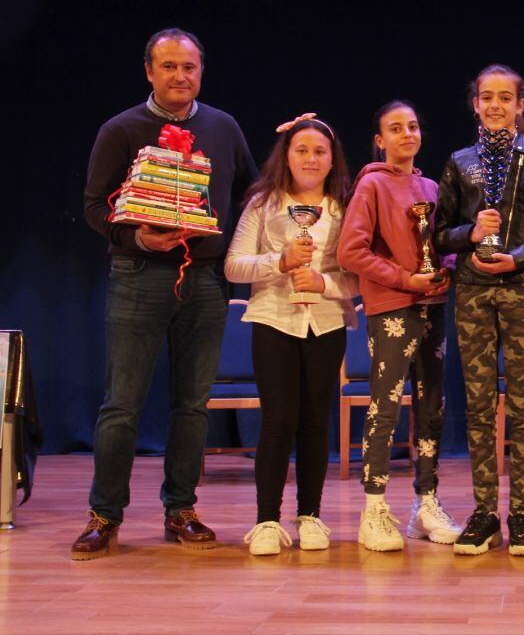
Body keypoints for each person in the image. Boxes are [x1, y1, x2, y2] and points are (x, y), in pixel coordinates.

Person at [75, 28, 256, 560]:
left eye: (190, 67)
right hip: (137, 275)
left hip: (205, 280)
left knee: (192, 405)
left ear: (202, 71)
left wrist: (298, 147)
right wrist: (136, 236)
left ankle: (180, 509)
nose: (181, 76)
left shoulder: (223, 127)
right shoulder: (121, 129)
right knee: (122, 405)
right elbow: (92, 206)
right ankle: (104, 515)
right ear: (149, 71)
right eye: (170, 66)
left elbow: (253, 190)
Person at [435, 64, 524, 556]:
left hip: (523, 288)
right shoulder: (459, 161)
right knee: (476, 405)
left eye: (505, 97)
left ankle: (521, 514)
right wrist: (469, 235)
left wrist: (520, 257)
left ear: (520, 105)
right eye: (486, 97)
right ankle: (483, 512)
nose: (495, 105)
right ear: (475, 103)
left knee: (521, 403)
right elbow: (439, 232)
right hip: (472, 289)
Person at [224, 113, 358, 556]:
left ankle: (311, 516)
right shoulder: (264, 204)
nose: (311, 158)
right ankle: (266, 520)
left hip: (326, 322)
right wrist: (277, 262)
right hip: (273, 320)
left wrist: (325, 284)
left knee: (316, 422)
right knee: (279, 421)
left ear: (332, 158)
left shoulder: (344, 206)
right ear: (287, 154)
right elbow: (233, 265)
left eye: (320, 151)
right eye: (302, 149)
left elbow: (357, 276)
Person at [337, 101, 462, 552]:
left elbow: (442, 241)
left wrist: (445, 267)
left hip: (434, 305)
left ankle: (426, 504)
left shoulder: (430, 185)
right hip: (392, 306)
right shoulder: (370, 185)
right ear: (380, 139)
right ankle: (374, 508)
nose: (407, 134)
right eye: (395, 128)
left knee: (433, 405)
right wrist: (405, 279)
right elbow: (350, 252)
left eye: (412, 126)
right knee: (385, 406)